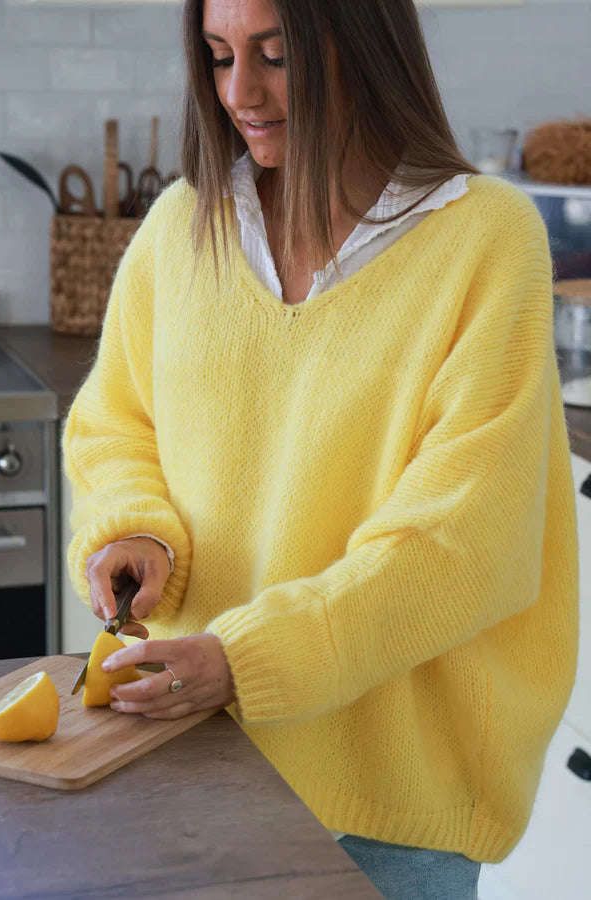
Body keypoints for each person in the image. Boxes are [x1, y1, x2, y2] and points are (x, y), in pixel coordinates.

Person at [62, 1, 579, 898]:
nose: (241, 94)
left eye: (276, 55)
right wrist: (135, 529)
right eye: (220, 57)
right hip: (197, 761)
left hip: (389, 801)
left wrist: (248, 661)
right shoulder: (184, 225)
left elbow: (464, 540)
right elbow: (117, 424)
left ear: (366, 46)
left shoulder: (484, 238)